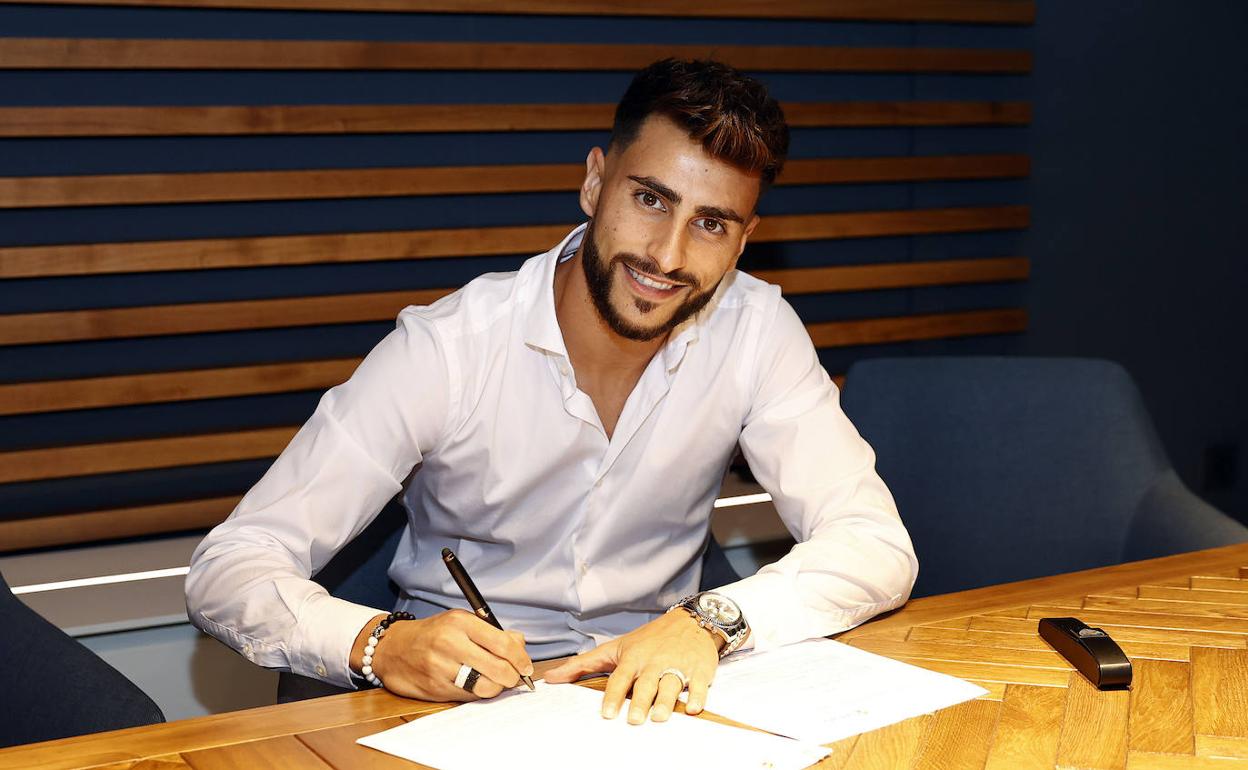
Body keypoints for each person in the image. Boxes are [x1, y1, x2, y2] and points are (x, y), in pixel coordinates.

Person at [186, 58, 917, 725]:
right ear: (595, 182)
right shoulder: (448, 348)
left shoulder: (757, 329)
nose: (667, 256)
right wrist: (381, 643)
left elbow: (874, 543)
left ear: (744, 238)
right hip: (454, 710)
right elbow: (231, 567)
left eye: (710, 224)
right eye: (651, 199)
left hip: (654, 702)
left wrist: (708, 623)